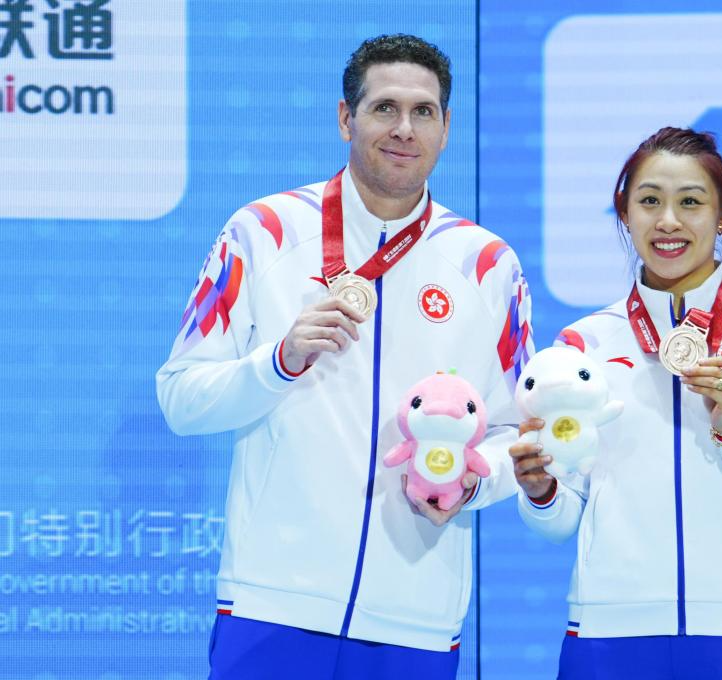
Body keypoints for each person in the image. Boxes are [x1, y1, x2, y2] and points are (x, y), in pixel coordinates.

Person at [157, 34, 533, 680]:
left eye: (423, 111)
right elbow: (181, 399)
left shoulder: (488, 265)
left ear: (446, 128)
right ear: (345, 118)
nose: (404, 128)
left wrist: (474, 482)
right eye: (385, 107)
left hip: (415, 617)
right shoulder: (263, 231)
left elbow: (518, 433)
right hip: (272, 605)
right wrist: (278, 361)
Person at [510, 127, 722, 679]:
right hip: (610, 632)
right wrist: (540, 491)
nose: (668, 221)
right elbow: (561, 521)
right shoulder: (581, 346)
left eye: (690, 202)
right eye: (649, 201)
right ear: (624, 212)